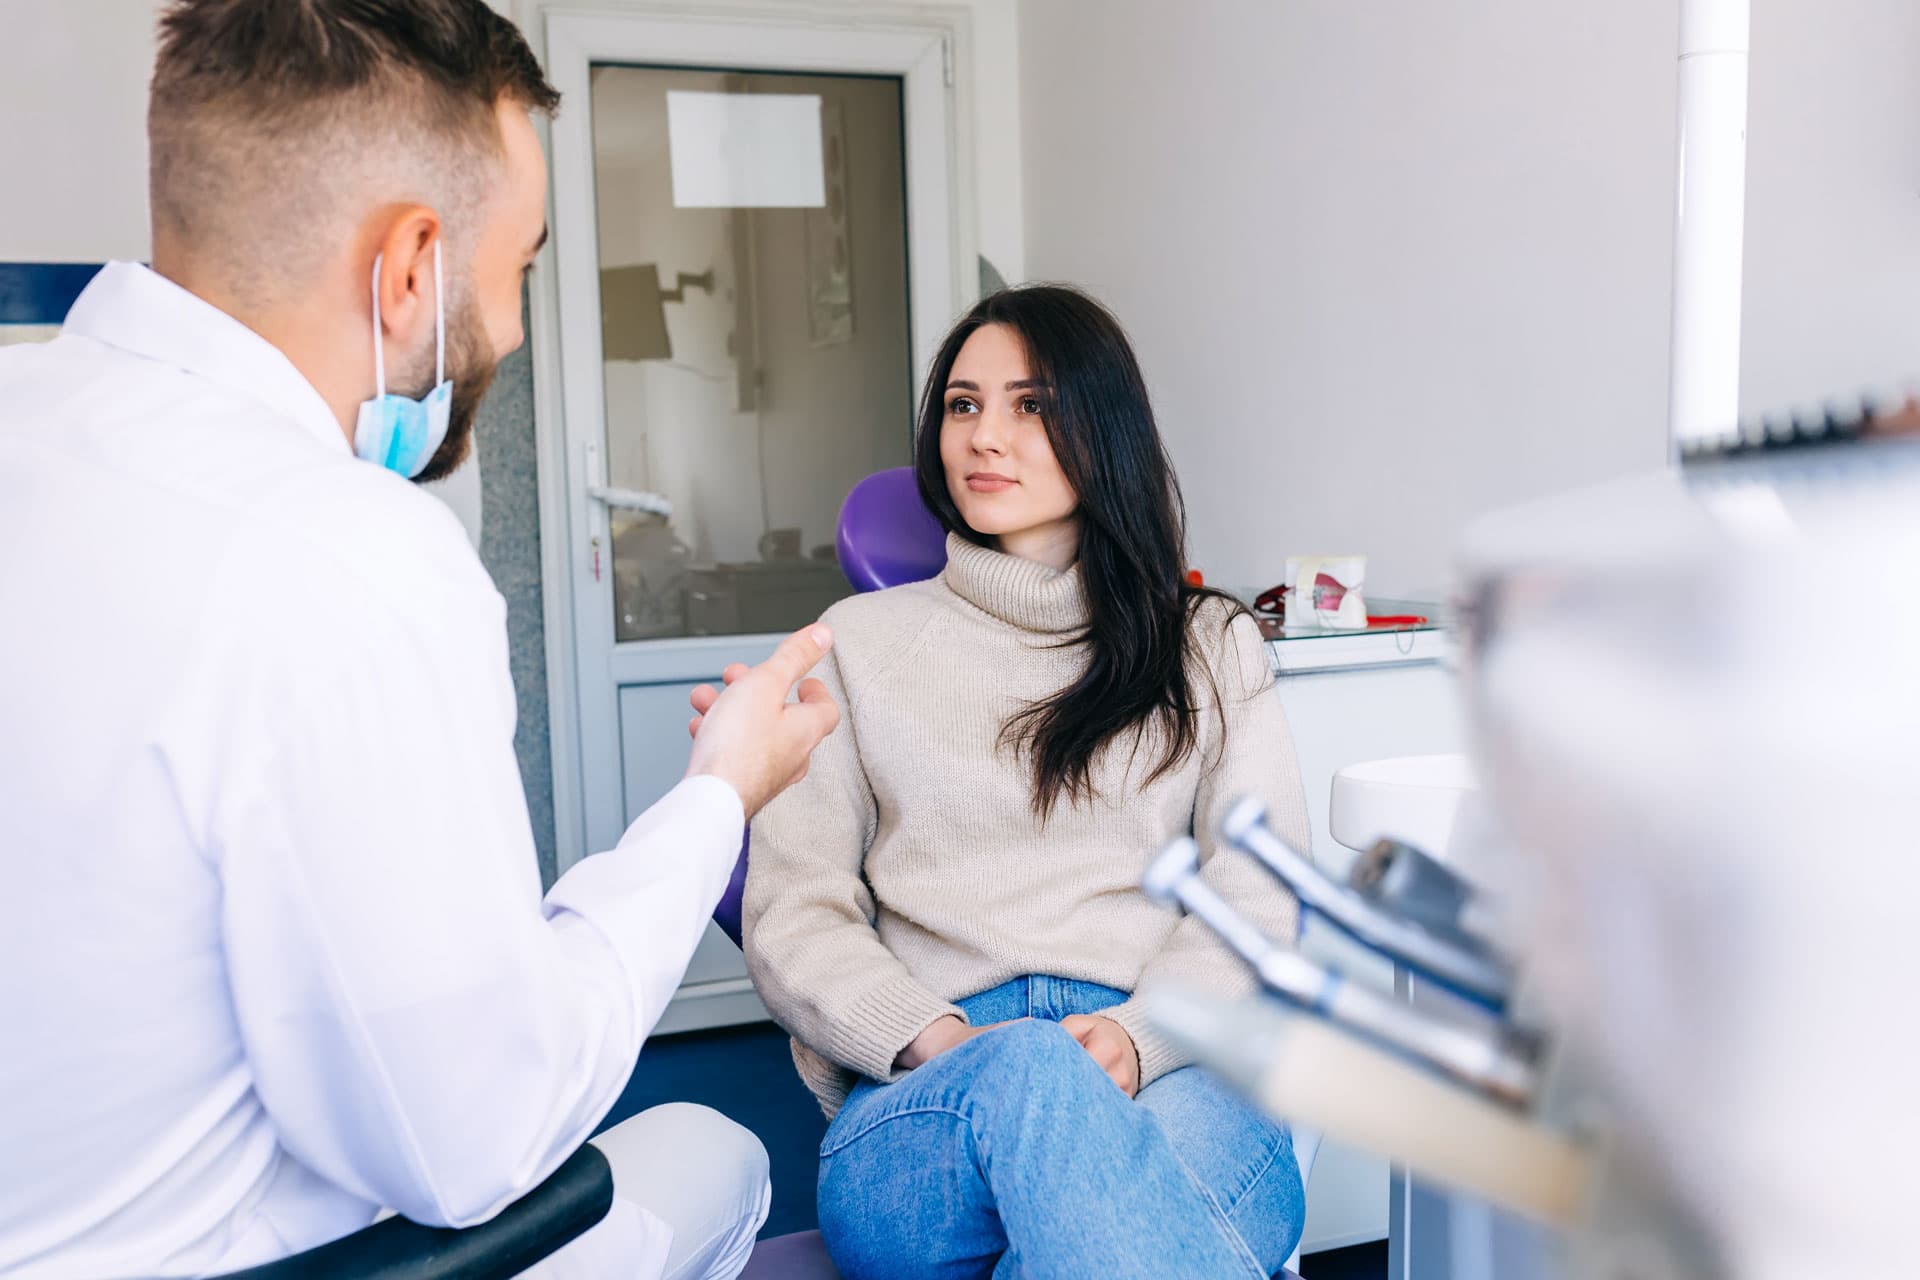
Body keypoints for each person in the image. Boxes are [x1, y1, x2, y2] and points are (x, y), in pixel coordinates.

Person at [0, 3, 837, 1277]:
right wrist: (719, 795)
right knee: (718, 1152)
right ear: (409, 267)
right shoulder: (347, 556)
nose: (505, 329)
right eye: (521, 269)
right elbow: (473, 1140)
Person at [736, 284, 1314, 1279]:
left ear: (1103, 426)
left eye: (1031, 403)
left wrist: (1137, 1037)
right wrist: (933, 1036)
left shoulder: (1209, 644)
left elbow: (1257, 895)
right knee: (1053, 1098)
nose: (984, 437)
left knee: (1095, 1229)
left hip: (1158, 1057)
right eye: (963, 404)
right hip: (938, 1086)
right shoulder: (856, 648)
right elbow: (796, 911)